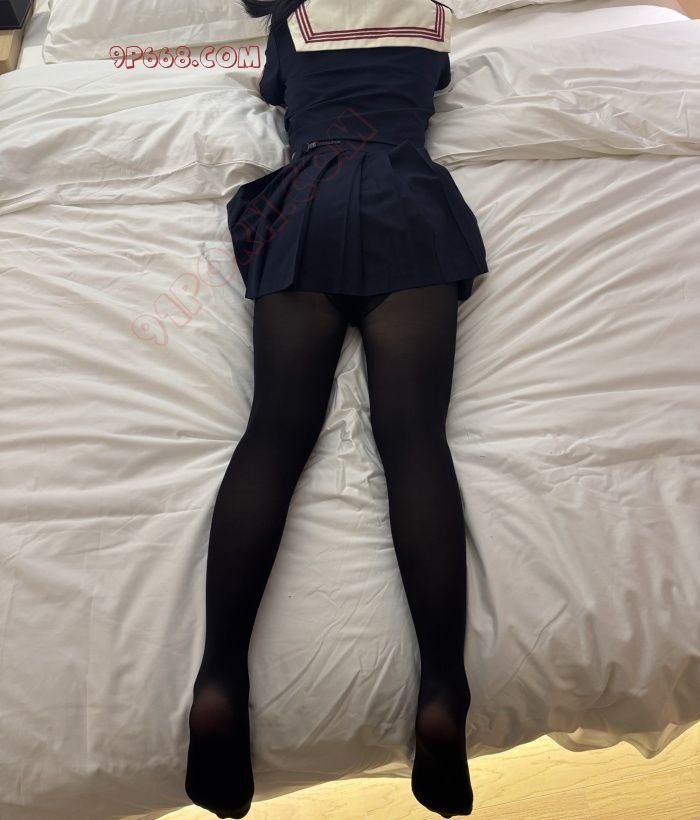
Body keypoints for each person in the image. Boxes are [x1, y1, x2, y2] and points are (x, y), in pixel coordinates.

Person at [185, 0, 488, 817]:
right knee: (416, 443)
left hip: (309, 209)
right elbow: (434, 84)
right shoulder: (432, 16)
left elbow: (276, 91)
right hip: (408, 210)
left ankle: (219, 678)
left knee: (274, 435)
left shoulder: (295, 18)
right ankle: (443, 687)